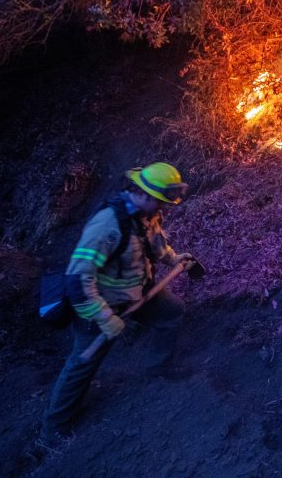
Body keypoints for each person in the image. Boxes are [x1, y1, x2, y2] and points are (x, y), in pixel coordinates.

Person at [41, 162, 193, 443]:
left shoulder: (148, 214)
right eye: (161, 202)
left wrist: (174, 259)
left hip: (136, 294)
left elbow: (156, 244)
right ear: (146, 195)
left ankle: (158, 366)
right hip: (99, 306)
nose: (165, 208)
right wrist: (104, 318)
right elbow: (78, 279)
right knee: (82, 365)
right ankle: (54, 429)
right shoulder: (107, 226)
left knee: (171, 312)